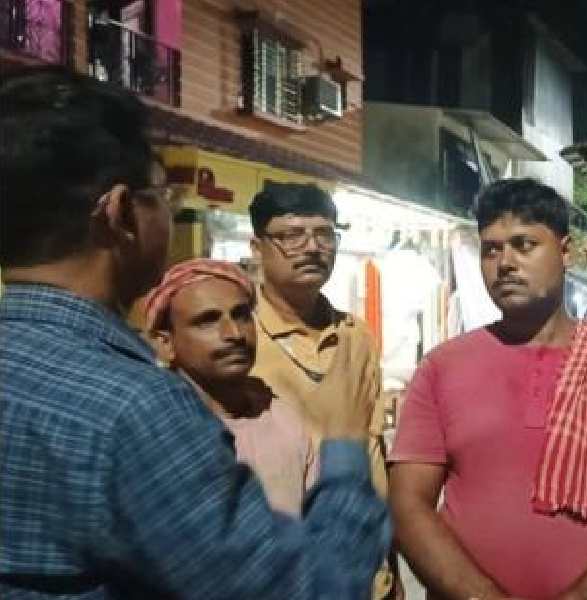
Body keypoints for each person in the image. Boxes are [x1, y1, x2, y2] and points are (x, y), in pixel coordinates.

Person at [0, 66, 389, 599]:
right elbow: (304, 590)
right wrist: (344, 451)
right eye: (163, 195)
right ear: (118, 214)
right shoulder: (136, 407)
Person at [388, 178, 587, 600]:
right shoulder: (443, 367)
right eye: (491, 249)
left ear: (565, 252)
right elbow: (408, 506)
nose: (505, 263)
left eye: (524, 245)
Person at [247, 181, 398, 598]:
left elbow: (374, 452)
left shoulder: (356, 335)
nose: (312, 247)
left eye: (324, 234)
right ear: (257, 247)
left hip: (367, 567)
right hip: (287, 573)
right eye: (292, 235)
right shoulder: (239, 338)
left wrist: (392, 566)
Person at [145, 259, 321, 516]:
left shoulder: (281, 418)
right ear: (166, 344)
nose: (234, 333)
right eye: (208, 321)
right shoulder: (152, 429)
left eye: (241, 315)